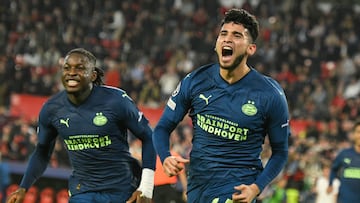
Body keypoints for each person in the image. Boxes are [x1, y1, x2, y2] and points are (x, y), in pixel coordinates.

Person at [153, 8, 290, 203]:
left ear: (251, 48)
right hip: (198, 187)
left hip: (236, 190)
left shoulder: (269, 94)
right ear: (216, 44)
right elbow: (162, 128)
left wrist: (255, 188)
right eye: (223, 34)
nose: (227, 39)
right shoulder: (195, 81)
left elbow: (280, 152)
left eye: (237, 35)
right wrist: (165, 157)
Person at [6, 48, 156, 203]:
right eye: (67, 68)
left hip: (121, 191)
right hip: (82, 192)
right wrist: (23, 187)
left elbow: (149, 137)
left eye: (80, 68)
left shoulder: (116, 100)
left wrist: (146, 188)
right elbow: (42, 151)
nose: (71, 72)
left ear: (93, 75)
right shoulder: (52, 109)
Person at [327, 120, 360, 203]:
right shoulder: (344, 153)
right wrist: (330, 184)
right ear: (353, 134)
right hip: (345, 199)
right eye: (358, 132)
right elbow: (334, 169)